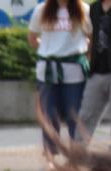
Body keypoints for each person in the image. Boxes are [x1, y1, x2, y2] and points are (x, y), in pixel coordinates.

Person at [29, 0, 92, 157]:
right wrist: (47, 49)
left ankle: (76, 157)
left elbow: (91, 37)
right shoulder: (42, 10)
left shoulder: (83, 9)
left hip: (74, 72)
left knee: (75, 116)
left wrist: (85, 56)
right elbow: (32, 38)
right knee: (49, 115)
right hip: (47, 72)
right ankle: (50, 156)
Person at [78, 0, 111, 151]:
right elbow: (91, 36)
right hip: (97, 69)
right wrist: (88, 57)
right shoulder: (94, 8)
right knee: (86, 112)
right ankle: (78, 151)